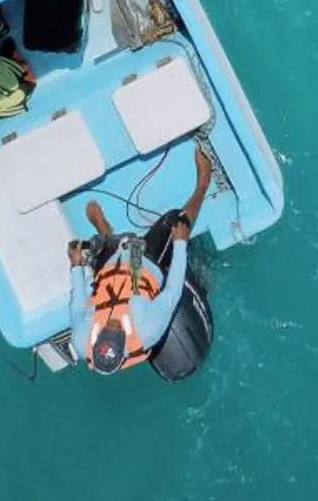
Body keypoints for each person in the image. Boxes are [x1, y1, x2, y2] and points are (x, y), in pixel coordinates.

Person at [68, 143, 212, 374]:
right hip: (137, 276)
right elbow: (172, 290)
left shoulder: (81, 339)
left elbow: (77, 308)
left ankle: (107, 234)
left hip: (109, 277)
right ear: (124, 346)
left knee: (104, 249)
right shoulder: (149, 328)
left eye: (107, 328)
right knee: (174, 221)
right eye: (117, 331)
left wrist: (76, 267)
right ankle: (204, 181)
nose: (112, 325)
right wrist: (180, 242)